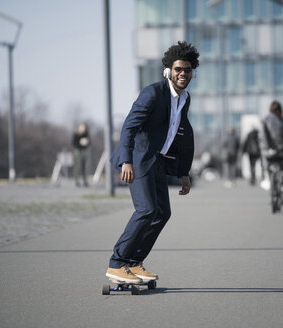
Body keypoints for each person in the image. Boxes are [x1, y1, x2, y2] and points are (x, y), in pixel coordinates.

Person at [106, 41, 199, 284]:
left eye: (187, 70)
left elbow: (181, 135)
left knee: (162, 213)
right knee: (147, 210)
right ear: (169, 70)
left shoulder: (184, 99)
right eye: (178, 69)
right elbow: (129, 126)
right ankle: (117, 263)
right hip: (137, 160)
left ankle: (134, 262)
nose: (183, 74)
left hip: (156, 160)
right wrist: (126, 160)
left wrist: (183, 172)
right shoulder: (153, 93)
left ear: (192, 73)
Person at [262, 101, 283, 204]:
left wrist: (267, 147)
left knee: (268, 169)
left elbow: (263, 135)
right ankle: (282, 190)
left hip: (268, 151)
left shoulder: (265, 120)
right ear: (280, 110)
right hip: (282, 151)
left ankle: (269, 183)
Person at [72, 122, 90, 187]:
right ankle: (77, 181)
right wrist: (80, 143)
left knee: (84, 167)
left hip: (84, 151)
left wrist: (86, 142)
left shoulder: (86, 134)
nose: (83, 129)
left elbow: (89, 142)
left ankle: (85, 181)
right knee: (77, 167)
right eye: (82, 127)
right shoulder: (76, 134)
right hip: (77, 152)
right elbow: (74, 143)